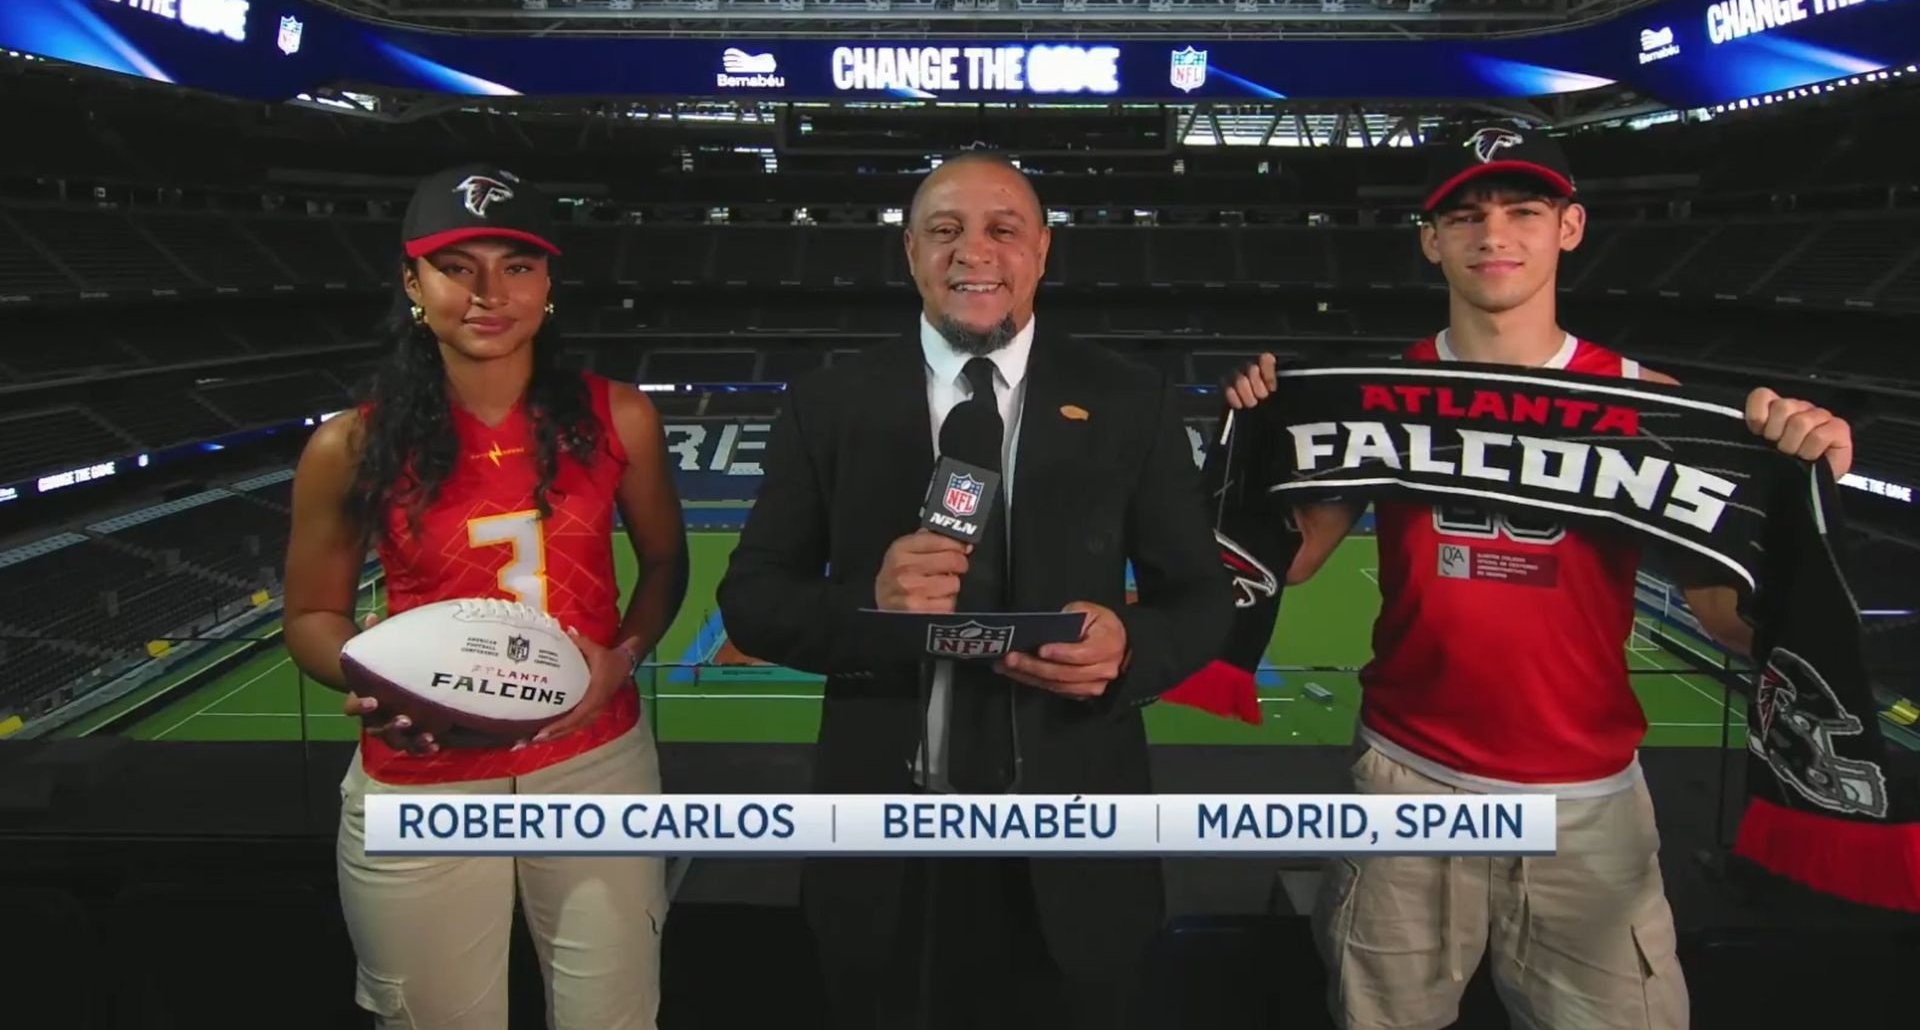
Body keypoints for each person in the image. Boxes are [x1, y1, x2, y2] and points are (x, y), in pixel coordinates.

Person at [1222, 125, 1854, 1030]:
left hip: (1588, 798)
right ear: (1430, 239)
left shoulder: (1652, 401)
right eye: (1466, 215)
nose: (1494, 235)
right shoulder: (1373, 387)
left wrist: (1804, 505)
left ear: (1569, 227)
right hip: (1411, 780)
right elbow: (1300, 559)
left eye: (1524, 210)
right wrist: (1260, 439)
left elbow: (1726, 617)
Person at [716, 151, 1232, 1030]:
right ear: (910, 251)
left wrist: (1129, 647)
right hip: (888, 842)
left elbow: (1203, 599)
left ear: (1042, 251)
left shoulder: (1131, 400)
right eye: (946, 231)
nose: (974, 253)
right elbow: (753, 599)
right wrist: (868, 608)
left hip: (1073, 841)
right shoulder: (828, 404)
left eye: (1003, 230)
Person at [282, 164, 688, 1030]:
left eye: (517, 265)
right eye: (457, 266)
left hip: (594, 769)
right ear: (411, 281)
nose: (489, 293)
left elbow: (663, 569)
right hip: (419, 782)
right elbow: (311, 616)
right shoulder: (348, 444)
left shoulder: (620, 418)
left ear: (549, 281)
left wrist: (624, 659)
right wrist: (364, 677)